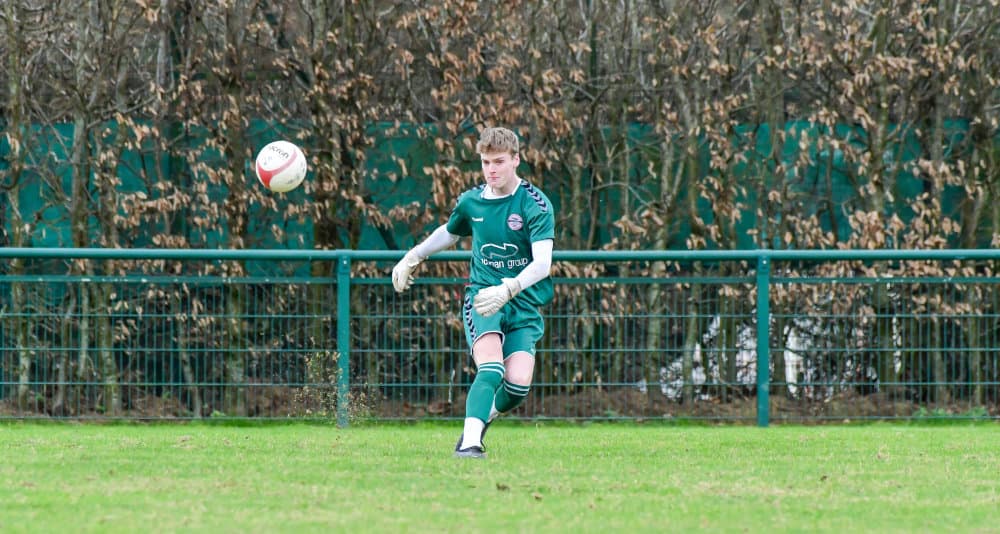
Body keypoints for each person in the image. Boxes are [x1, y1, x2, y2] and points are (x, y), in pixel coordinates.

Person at [392, 126, 555, 459]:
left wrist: (509, 288)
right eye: (485, 162)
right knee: (491, 369)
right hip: (483, 299)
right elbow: (450, 232)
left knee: (517, 386)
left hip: (523, 303)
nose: (491, 170)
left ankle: (481, 420)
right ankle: (469, 444)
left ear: (516, 160)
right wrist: (413, 256)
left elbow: (542, 264)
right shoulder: (472, 201)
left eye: (499, 161)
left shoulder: (535, 204)